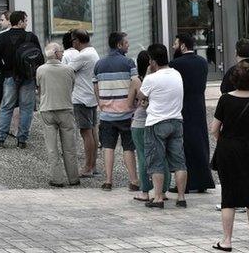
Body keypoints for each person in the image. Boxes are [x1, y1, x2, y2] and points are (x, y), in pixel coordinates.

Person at [210, 61, 249, 252]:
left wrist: (226, 140)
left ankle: (226, 240)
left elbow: (214, 129)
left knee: (228, 195)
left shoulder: (225, 100)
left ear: (233, 80)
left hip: (229, 150)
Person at [138, 43, 187, 209]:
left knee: (156, 161)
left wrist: (147, 74)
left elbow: (140, 96)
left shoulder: (151, 78)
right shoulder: (177, 74)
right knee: (179, 161)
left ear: (152, 62)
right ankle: (181, 197)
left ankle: (158, 198)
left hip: (156, 123)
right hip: (176, 121)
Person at [169, 33, 215, 193]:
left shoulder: (175, 64)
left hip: (182, 106)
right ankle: (203, 179)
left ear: (182, 46)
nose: (174, 47)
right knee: (201, 142)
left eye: (175, 44)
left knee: (185, 145)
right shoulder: (202, 62)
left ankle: (187, 182)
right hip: (199, 105)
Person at [0, 11, 44, 148]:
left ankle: (1, 138)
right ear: (20, 22)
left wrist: (6, 72)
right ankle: (22, 140)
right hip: (28, 77)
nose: (27, 23)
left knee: (6, 107)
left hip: (10, 77)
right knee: (26, 108)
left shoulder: (1, 38)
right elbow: (40, 59)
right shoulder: (31, 37)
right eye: (25, 21)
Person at [94, 32, 139, 191]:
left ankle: (108, 181)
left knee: (108, 147)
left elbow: (95, 85)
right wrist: (134, 103)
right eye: (126, 43)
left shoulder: (99, 64)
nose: (128, 45)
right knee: (128, 148)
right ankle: (133, 181)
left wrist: (101, 103)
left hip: (107, 114)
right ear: (119, 45)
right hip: (127, 113)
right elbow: (135, 84)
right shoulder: (129, 63)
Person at [36, 42, 80, 188]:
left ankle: (57, 178)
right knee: (69, 146)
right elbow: (71, 87)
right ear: (55, 53)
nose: (62, 54)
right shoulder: (68, 70)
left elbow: (39, 87)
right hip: (66, 109)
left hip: (47, 109)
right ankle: (73, 178)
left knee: (52, 147)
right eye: (61, 51)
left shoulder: (40, 70)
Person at [130, 50, 171, 202]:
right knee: (162, 156)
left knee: (142, 156)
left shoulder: (137, 80)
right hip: (160, 120)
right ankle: (163, 191)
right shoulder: (164, 79)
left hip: (141, 122)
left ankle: (145, 191)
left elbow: (132, 103)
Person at [67, 29, 101, 177]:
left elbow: (66, 71)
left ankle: (87, 167)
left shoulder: (83, 55)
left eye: (73, 40)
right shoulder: (93, 52)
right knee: (93, 131)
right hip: (91, 97)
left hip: (81, 98)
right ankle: (93, 166)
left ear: (76, 41)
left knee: (86, 132)